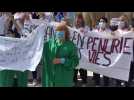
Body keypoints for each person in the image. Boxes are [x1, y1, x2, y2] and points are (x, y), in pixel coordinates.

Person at [42, 22, 79, 87]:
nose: (59, 33)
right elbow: (39, 50)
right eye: (58, 31)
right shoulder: (50, 43)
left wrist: (62, 60)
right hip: (51, 78)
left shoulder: (70, 45)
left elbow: (75, 62)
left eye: (62, 31)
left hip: (64, 79)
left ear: (66, 33)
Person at [0, 13, 28, 87]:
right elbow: (3, 34)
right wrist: (6, 22)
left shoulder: (16, 23)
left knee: (17, 77)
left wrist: (13, 20)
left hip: (16, 55)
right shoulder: (2, 22)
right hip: (6, 57)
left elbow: (22, 32)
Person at [92, 17, 111, 87]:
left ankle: (106, 84)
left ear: (106, 23)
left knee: (106, 71)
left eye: (103, 21)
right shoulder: (94, 32)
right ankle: (97, 84)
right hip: (97, 55)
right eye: (100, 21)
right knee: (97, 70)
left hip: (106, 55)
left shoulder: (109, 32)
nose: (101, 23)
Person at [73, 13, 90, 87]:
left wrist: (85, 32)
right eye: (77, 18)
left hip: (83, 51)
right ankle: (74, 80)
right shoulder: (73, 28)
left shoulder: (86, 28)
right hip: (74, 51)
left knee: (82, 67)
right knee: (74, 67)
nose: (78, 20)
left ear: (82, 20)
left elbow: (90, 37)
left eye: (80, 18)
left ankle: (84, 81)